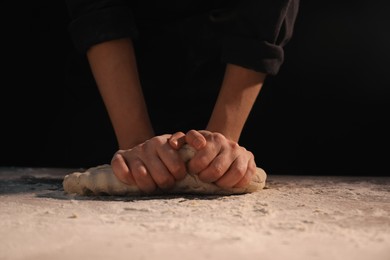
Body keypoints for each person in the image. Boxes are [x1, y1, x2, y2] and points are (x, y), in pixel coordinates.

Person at [64, 0, 300, 193]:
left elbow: (267, 9)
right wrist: (134, 142)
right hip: (114, 77)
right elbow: (97, 9)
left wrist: (217, 150)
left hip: (238, 72)